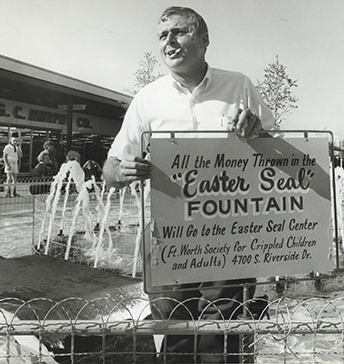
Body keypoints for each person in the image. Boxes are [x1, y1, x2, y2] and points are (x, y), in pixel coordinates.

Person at [103, 6, 274, 363]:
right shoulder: (147, 98)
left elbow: (280, 151)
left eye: (180, 32)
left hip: (228, 234)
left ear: (204, 40)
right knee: (173, 333)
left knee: (222, 337)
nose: (170, 42)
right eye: (163, 35)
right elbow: (111, 168)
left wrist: (258, 130)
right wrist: (123, 170)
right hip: (168, 237)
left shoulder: (239, 85)